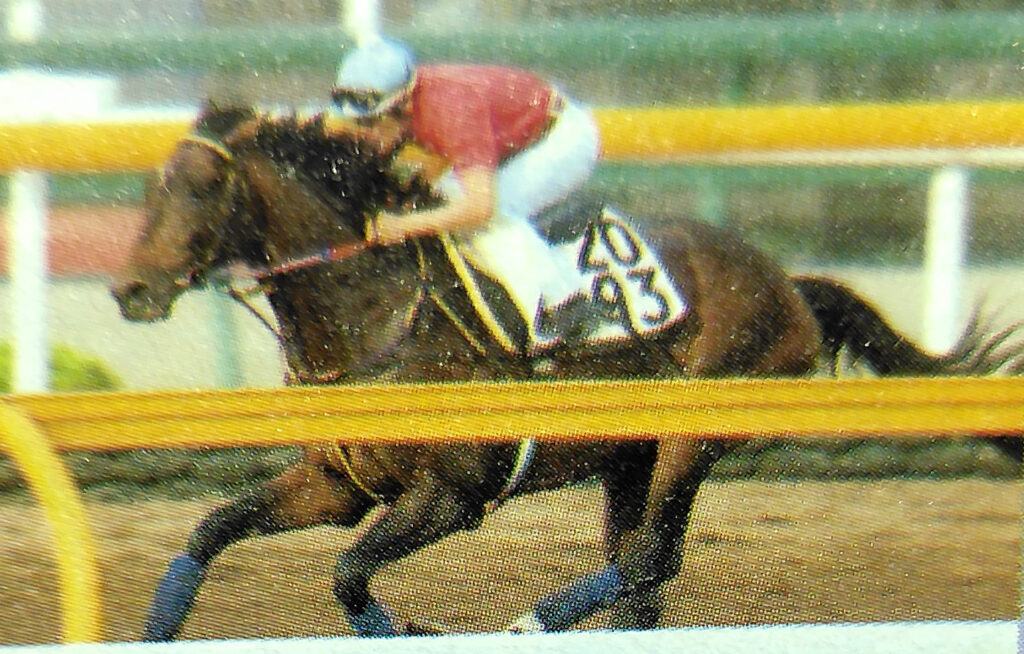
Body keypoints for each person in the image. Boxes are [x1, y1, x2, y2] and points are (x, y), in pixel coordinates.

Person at [330, 37, 625, 354]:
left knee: (491, 213)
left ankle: (570, 310)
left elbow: (479, 207)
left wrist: (403, 226)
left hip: (564, 139)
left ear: (403, 105)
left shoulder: (451, 108)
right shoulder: (411, 105)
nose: (367, 135)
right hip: (519, 136)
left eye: (371, 123)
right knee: (445, 203)